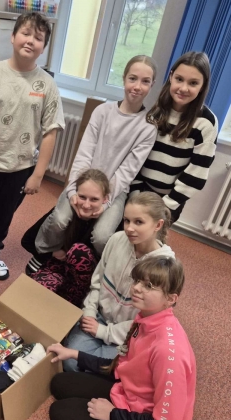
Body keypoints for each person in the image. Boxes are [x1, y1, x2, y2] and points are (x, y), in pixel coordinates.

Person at [47, 256, 195, 420]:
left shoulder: (167, 351)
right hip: (129, 394)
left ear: (171, 299)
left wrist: (112, 415)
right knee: (60, 383)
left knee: (60, 414)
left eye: (149, 286)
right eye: (137, 281)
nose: (136, 288)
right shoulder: (145, 319)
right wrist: (75, 354)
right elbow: (121, 367)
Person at [0, 11, 65, 281]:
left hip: (21, 167)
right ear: (13, 36)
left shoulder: (47, 85)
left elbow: (51, 132)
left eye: (38, 38)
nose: (30, 40)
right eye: (26, 33)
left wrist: (38, 175)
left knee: (4, 215)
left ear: (44, 46)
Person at [32, 55, 157, 268]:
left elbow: (127, 171)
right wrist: (74, 192)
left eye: (145, 81)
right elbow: (83, 155)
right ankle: (44, 252)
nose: (137, 86)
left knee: (102, 236)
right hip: (83, 181)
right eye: (132, 78)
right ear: (124, 79)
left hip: (115, 191)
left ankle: (92, 269)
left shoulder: (148, 127)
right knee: (60, 220)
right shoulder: (102, 111)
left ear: (152, 85)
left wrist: (105, 202)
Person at [62, 192, 175, 372]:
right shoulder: (116, 240)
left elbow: (148, 320)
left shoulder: (164, 265)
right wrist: (90, 312)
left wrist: (105, 332)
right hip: (98, 318)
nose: (130, 228)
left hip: (129, 334)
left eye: (139, 222)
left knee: (109, 370)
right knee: (70, 362)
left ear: (158, 225)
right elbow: (97, 282)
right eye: (126, 220)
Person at [130, 51, 218, 223]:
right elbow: (139, 154)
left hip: (168, 202)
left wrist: (167, 206)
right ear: (171, 77)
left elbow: (197, 174)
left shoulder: (206, 123)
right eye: (179, 79)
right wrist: (135, 192)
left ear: (203, 85)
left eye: (193, 83)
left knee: (146, 238)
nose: (183, 88)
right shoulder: (156, 111)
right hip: (139, 190)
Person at [22, 169, 110, 306]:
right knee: (34, 297)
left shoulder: (107, 226)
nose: (86, 205)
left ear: (105, 199)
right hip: (57, 267)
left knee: (78, 251)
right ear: (75, 194)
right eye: (82, 197)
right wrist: (52, 252)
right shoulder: (65, 214)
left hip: (82, 280)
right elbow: (27, 240)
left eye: (94, 199)